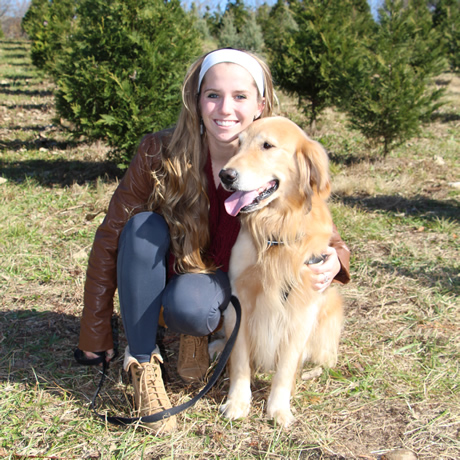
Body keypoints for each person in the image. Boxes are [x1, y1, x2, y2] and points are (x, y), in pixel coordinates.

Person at [76, 48, 351, 433]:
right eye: (213, 95)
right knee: (140, 229)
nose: (225, 108)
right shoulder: (157, 151)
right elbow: (110, 236)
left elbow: (311, 214)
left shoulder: (275, 158)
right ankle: (142, 363)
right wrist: (95, 329)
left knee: (196, 306)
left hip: (215, 289)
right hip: (170, 275)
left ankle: (196, 332)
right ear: (196, 100)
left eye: (240, 96)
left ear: (260, 105)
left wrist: (336, 256)